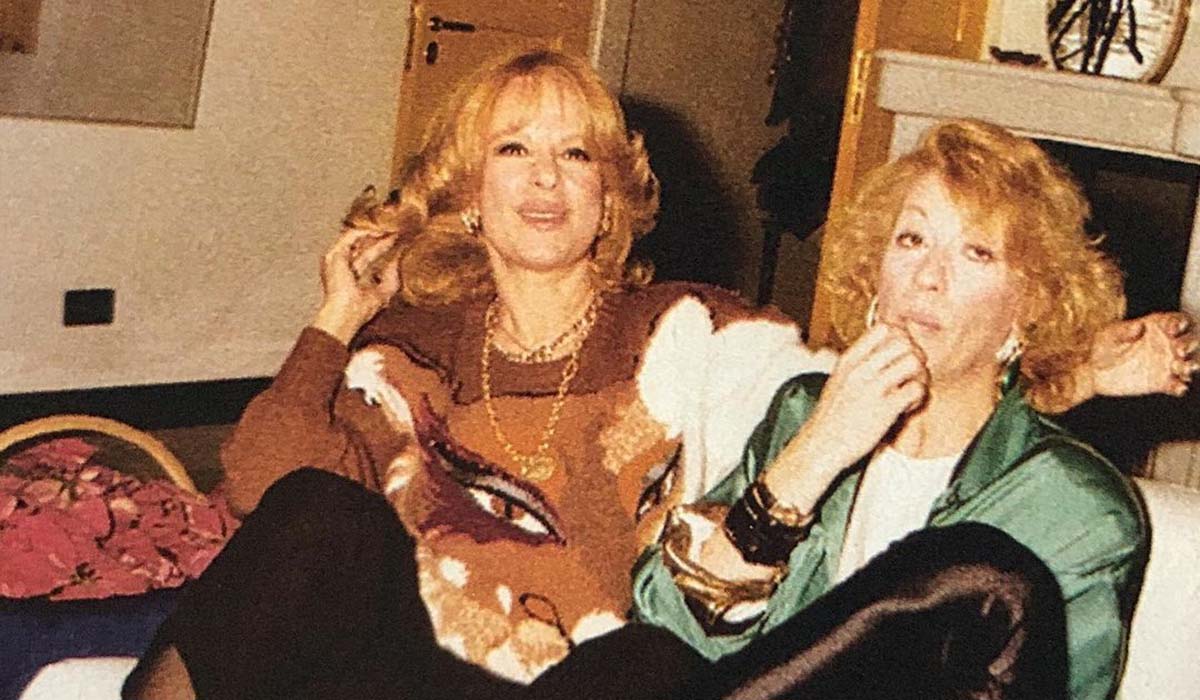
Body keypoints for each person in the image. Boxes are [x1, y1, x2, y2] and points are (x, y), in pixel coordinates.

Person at [124, 50, 1192, 698]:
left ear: (612, 196)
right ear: (465, 193)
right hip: (413, 664)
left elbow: (872, 388)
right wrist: (334, 320)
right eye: (512, 151)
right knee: (319, 514)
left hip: (588, 681)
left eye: (576, 154)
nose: (545, 180)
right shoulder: (411, 343)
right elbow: (263, 488)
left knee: (639, 664)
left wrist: (1064, 366)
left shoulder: (687, 330)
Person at [632, 120, 1157, 700]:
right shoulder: (805, 413)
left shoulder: (1074, 504)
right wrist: (814, 457)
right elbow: (664, 627)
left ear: (1029, 306)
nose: (928, 277)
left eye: (977, 252)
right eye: (911, 240)